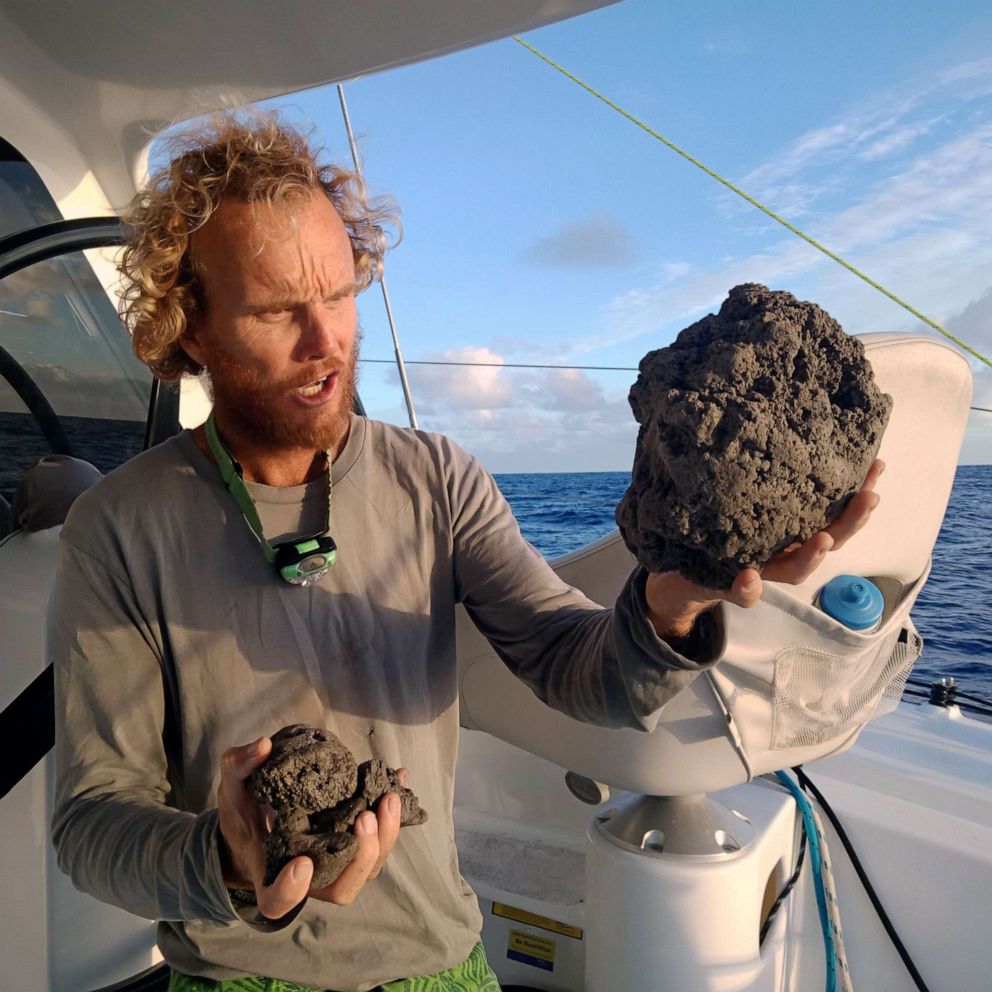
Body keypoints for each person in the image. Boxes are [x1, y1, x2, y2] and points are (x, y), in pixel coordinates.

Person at [51, 112, 881, 992]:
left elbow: (579, 668)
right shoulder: (117, 528)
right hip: (230, 978)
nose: (325, 340)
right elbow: (91, 826)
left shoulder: (437, 478)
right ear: (190, 327)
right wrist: (224, 856)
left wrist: (674, 605)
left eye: (338, 293)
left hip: (440, 962)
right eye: (273, 310)